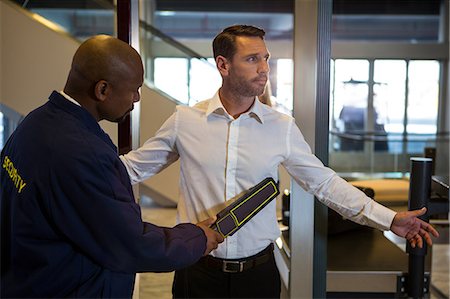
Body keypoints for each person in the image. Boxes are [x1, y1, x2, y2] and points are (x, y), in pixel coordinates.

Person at [120, 25, 439, 298]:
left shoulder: (281, 127)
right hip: (197, 274)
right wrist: (75, 162)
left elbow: (325, 184)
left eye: (265, 58)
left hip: (258, 276)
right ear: (223, 64)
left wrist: (389, 219)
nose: (264, 68)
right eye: (252, 59)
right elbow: (132, 168)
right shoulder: (185, 121)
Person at [0, 35, 223, 298]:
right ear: (102, 90)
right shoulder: (81, 151)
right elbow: (129, 243)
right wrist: (195, 238)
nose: (137, 98)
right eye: (134, 89)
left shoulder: (35, 123)